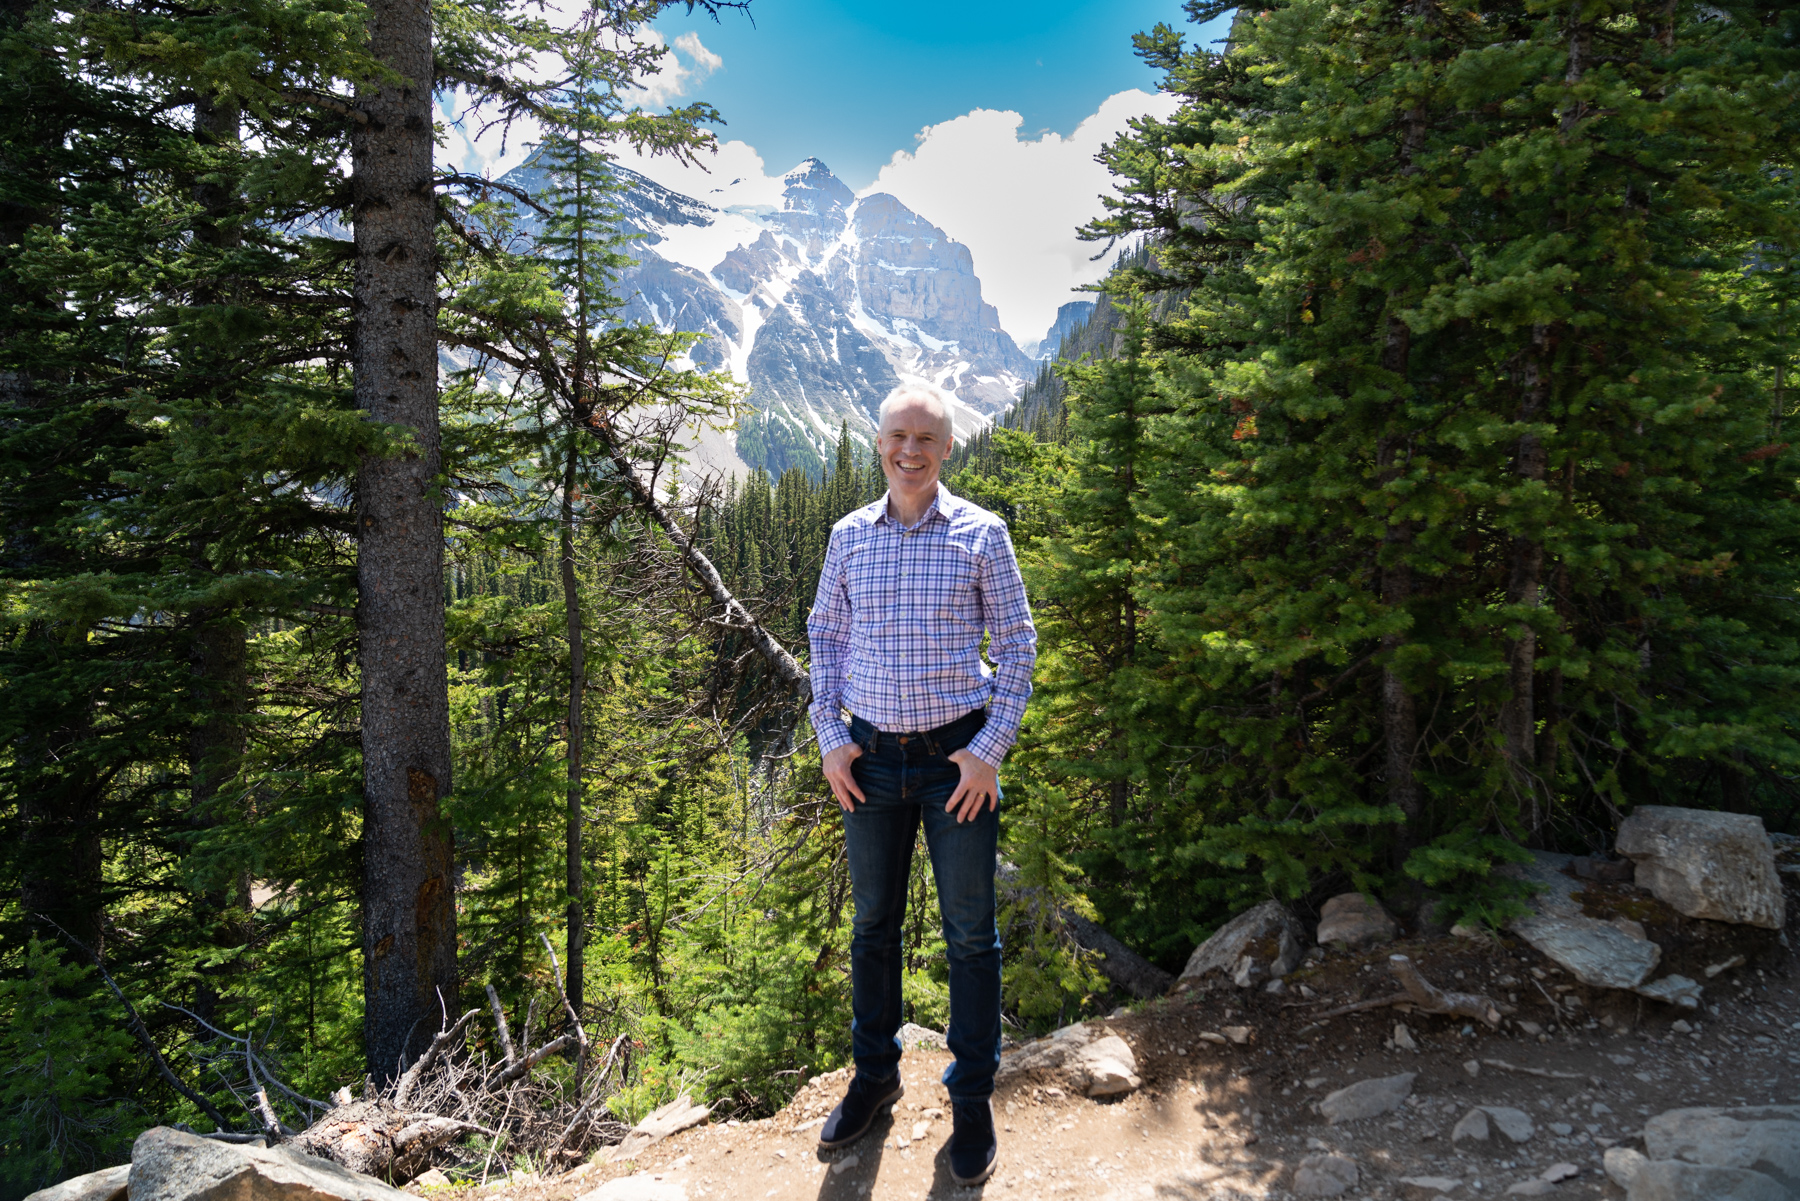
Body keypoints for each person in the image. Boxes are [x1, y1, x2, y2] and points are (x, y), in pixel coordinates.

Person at [806, 382, 1037, 1186]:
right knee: (872, 926)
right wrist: (831, 740)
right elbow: (825, 639)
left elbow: (1018, 646)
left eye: (926, 439)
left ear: (947, 450)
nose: (910, 450)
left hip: (954, 764)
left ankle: (971, 1098)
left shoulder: (983, 534)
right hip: (867, 760)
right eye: (898, 436)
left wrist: (989, 751)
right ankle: (876, 1075)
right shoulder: (848, 536)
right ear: (879, 444)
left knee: (971, 933)